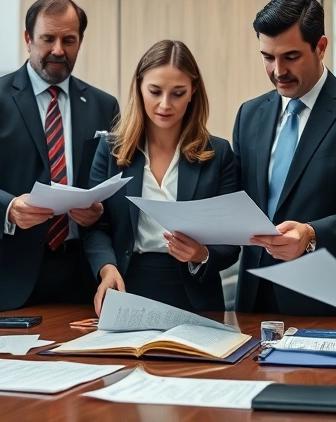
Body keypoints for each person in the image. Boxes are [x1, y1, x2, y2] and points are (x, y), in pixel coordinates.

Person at [0, 0, 120, 317]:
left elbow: (110, 183)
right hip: (2, 274)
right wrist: (10, 208)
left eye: (68, 40)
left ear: (80, 42)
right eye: (48, 38)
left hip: (79, 273)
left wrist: (98, 209)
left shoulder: (103, 105)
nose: (58, 49)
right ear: (28, 39)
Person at [232, 0, 336, 316]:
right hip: (254, 297)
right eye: (267, 57)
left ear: (321, 47)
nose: (278, 70)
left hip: (328, 300)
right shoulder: (249, 115)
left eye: (291, 57)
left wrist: (311, 234)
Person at [86, 40, 239, 315]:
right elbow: (96, 226)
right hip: (125, 287)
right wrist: (106, 269)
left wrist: (201, 254)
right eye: (155, 91)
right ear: (139, 87)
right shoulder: (111, 150)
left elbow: (231, 242)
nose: (165, 104)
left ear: (193, 91)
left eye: (178, 93)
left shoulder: (219, 153)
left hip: (196, 296)